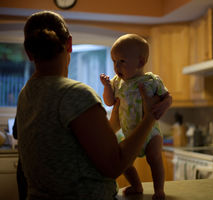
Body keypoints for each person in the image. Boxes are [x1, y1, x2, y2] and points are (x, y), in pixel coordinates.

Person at [17, 10, 170, 200]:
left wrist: (117, 117)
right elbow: (115, 165)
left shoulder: (25, 94)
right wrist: (149, 117)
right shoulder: (74, 94)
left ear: (29, 53)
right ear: (69, 44)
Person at [100, 34, 172, 199]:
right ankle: (136, 185)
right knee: (122, 162)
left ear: (140, 62)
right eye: (114, 61)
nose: (116, 66)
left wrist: (166, 103)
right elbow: (110, 102)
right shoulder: (117, 82)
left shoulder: (152, 81)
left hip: (151, 133)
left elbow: (167, 96)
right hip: (130, 135)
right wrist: (106, 87)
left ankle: (159, 189)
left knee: (154, 158)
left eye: (122, 61)